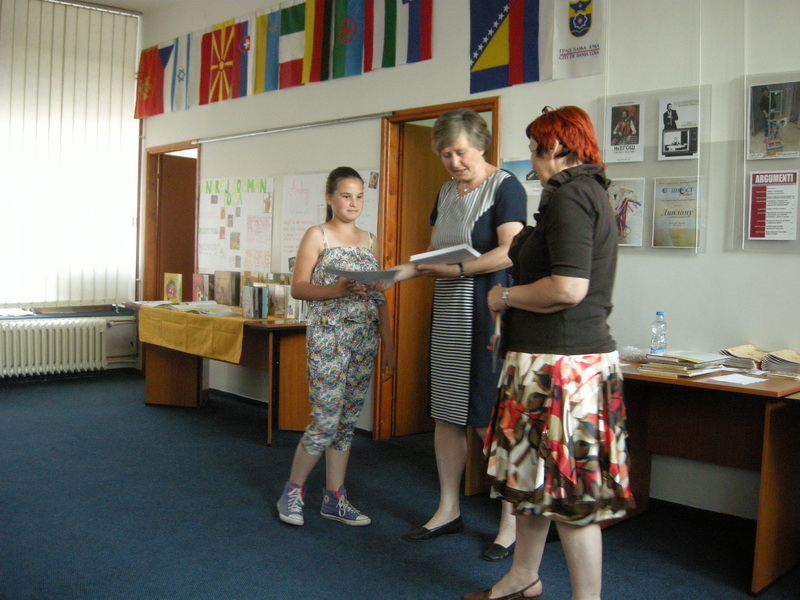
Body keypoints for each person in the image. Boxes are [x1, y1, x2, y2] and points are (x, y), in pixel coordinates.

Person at [464, 106, 635, 600]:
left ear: (555, 146)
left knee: (570, 496)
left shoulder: (573, 196)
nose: (532, 159)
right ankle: (524, 577)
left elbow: (567, 288)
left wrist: (505, 297)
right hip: (548, 360)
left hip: (563, 367)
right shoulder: (579, 193)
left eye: (534, 149)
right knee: (529, 479)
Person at [390, 108, 527, 561]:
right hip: (449, 311)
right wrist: (390, 277)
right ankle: (448, 509)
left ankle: (511, 522)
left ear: (481, 146)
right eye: (446, 154)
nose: (453, 162)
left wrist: (461, 269)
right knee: (446, 413)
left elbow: (510, 252)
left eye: (461, 152)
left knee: (490, 418)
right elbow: (433, 253)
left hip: (488, 311)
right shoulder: (447, 191)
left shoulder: (505, 186)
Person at [276, 166, 395, 528]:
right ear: (329, 198)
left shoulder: (371, 240)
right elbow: (299, 287)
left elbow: (380, 300)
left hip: (363, 339)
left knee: (346, 421)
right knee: (325, 419)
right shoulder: (318, 235)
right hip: (329, 338)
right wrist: (335, 290)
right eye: (346, 196)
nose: (353, 203)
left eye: (359, 196)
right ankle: (293, 491)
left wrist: (389, 347)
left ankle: (334, 498)